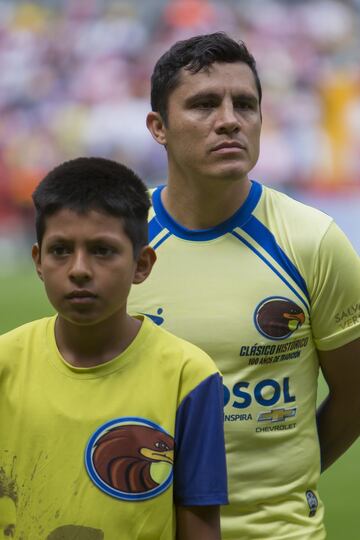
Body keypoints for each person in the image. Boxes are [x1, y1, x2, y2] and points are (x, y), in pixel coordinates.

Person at [128, 32, 360, 540]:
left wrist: (288, 476)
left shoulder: (313, 241)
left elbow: (356, 391)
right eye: (204, 104)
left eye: (246, 105)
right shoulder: (117, 239)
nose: (230, 119)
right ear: (158, 127)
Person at [0, 157, 228, 539]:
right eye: (60, 250)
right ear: (38, 261)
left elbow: (200, 524)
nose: (79, 269)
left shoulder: (190, 375)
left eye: (102, 250)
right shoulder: (5, 361)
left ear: (142, 264)